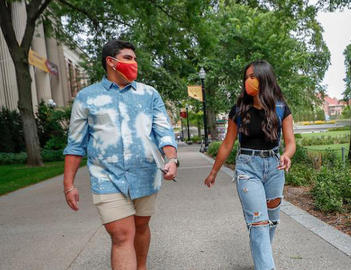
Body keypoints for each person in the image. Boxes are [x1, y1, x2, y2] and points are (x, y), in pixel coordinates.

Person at [62, 40, 179, 270]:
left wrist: (171, 159)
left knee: (141, 227)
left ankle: (141, 266)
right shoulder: (87, 97)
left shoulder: (149, 94)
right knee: (122, 235)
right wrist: (69, 184)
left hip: (145, 175)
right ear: (111, 62)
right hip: (107, 177)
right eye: (128, 58)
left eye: (135, 59)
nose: (134, 63)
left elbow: (164, 132)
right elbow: (75, 144)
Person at [204, 60, 296, 270]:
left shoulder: (281, 108)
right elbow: (228, 144)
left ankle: (261, 256)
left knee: (270, 221)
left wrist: (287, 155)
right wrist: (214, 171)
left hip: (274, 167)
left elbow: (291, 143)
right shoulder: (238, 110)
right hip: (247, 168)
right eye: (246, 77)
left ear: (265, 79)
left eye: (253, 76)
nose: (249, 81)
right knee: (258, 223)